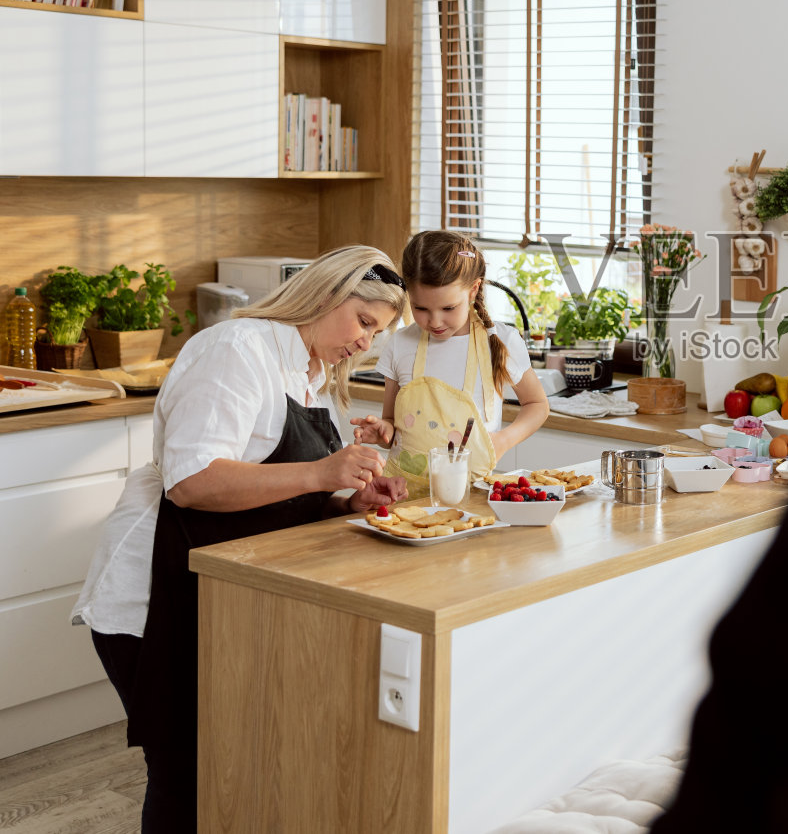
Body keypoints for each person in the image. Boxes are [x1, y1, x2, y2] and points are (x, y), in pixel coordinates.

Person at [70, 245, 408, 833]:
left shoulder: (310, 371)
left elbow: (276, 487)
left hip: (222, 592)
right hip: (158, 595)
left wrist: (344, 499)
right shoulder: (237, 349)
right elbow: (193, 483)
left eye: (376, 334)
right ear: (326, 294)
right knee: (187, 774)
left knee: (233, 768)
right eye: (363, 322)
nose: (365, 343)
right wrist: (323, 472)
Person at [352, 231, 549, 493]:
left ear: (473, 290)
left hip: (473, 494)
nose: (434, 321)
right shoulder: (400, 344)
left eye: (448, 308)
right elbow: (391, 422)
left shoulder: (501, 340)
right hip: (403, 495)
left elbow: (537, 405)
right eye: (420, 308)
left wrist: (502, 441)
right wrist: (382, 432)